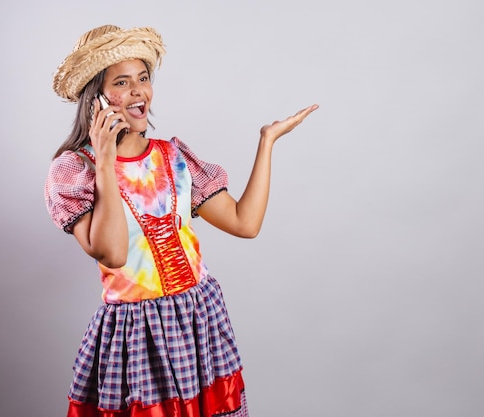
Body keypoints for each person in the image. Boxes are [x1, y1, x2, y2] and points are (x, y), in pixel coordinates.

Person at [45, 24, 317, 417]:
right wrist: (104, 159)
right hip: (138, 333)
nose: (139, 91)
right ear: (96, 99)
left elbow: (245, 223)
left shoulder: (173, 158)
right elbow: (114, 253)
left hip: (197, 317)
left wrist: (267, 141)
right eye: (122, 82)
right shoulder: (75, 170)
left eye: (143, 78)